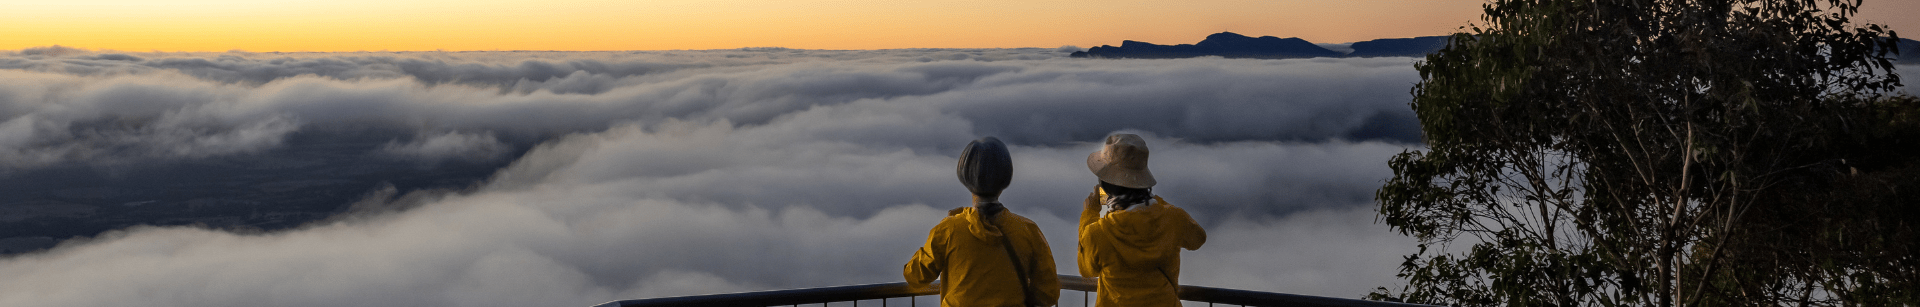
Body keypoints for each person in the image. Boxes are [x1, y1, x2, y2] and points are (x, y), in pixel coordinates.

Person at [905, 136, 1061, 307]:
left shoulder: (948, 230)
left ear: (965, 177)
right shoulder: (1028, 230)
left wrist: (948, 227)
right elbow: (1048, 294)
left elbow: (916, 276)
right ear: (1005, 178)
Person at [1077, 134, 1206, 307]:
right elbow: (1197, 239)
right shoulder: (1173, 218)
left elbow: (1086, 269)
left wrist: (1090, 213)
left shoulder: (1098, 233)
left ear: (1106, 186)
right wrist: (1155, 201)